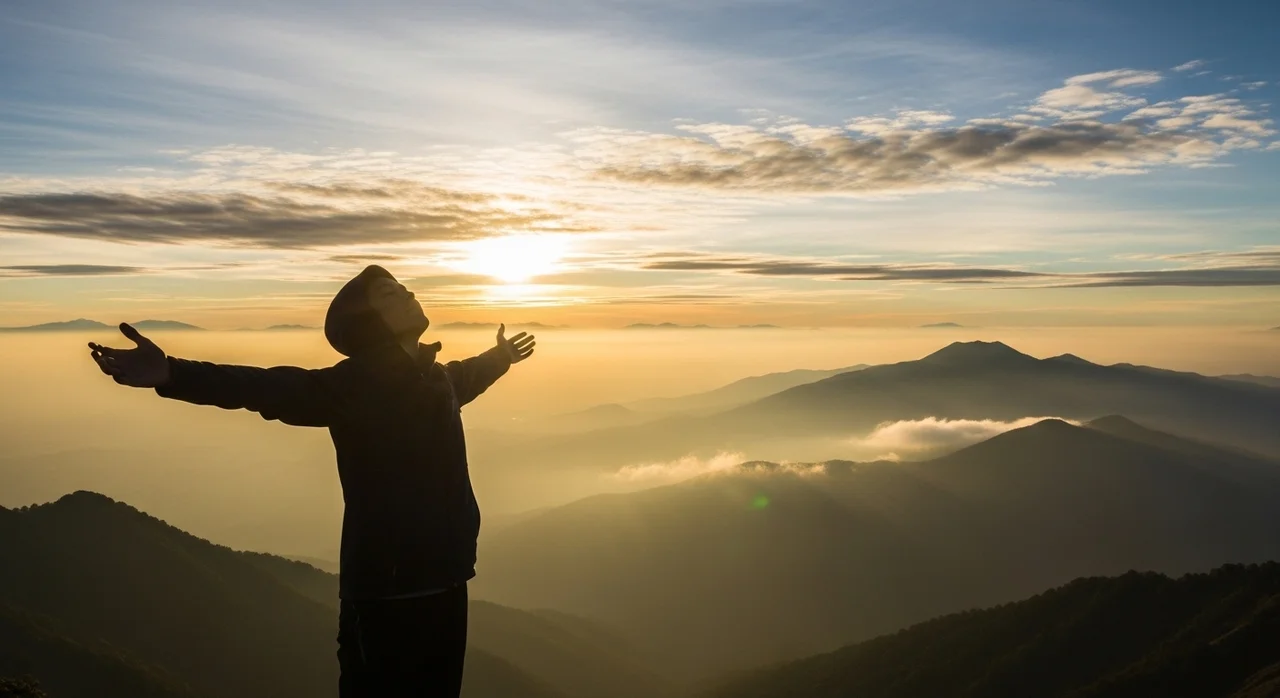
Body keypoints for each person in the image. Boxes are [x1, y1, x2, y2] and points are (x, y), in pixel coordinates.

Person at [86, 264, 536, 698]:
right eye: (390, 293)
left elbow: (466, 376)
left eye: (402, 287)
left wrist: (502, 356)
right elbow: (264, 387)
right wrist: (172, 372)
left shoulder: (433, 377)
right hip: (389, 593)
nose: (408, 293)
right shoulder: (357, 385)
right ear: (370, 321)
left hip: (448, 578)